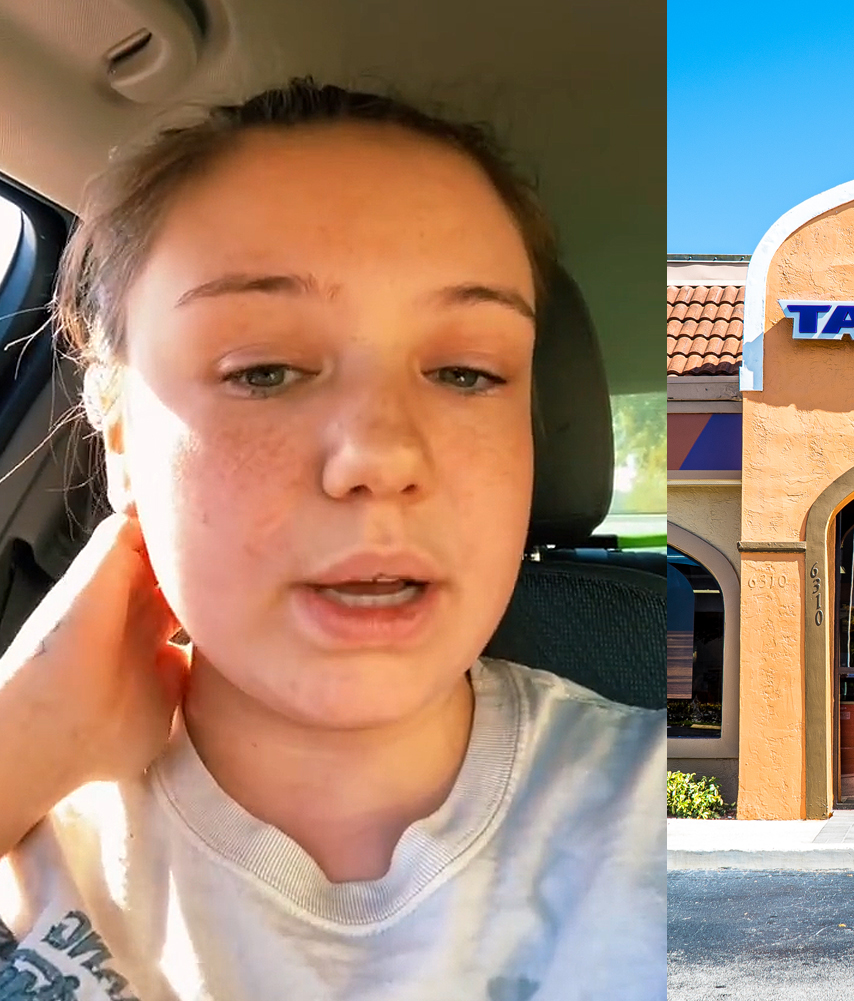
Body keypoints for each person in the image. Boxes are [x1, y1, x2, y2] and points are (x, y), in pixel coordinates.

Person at [0, 80, 667, 999]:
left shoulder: (664, 816)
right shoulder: (27, 818)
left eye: (468, 372)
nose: (382, 456)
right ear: (118, 438)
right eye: (264, 370)